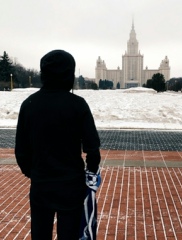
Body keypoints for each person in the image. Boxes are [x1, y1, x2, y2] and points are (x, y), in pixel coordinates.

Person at [15, 50, 101, 240]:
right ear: (69, 74)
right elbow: (93, 149)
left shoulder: (29, 104)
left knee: (40, 234)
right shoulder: (78, 105)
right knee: (69, 235)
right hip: (71, 184)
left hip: (41, 184)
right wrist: (89, 175)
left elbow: (21, 151)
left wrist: (34, 172)